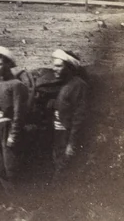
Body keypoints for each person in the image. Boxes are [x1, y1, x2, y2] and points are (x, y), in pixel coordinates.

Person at [0, 46, 28, 199]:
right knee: (0, 169)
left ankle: (20, 204)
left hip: (9, 129)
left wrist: (13, 135)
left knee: (11, 168)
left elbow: (19, 112)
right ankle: (12, 202)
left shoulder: (16, 85)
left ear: (9, 65)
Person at [50, 48, 89, 177]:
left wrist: (71, 144)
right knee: (58, 167)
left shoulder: (78, 85)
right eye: (54, 66)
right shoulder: (65, 85)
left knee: (65, 172)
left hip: (67, 137)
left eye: (58, 66)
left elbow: (79, 117)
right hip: (59, 135)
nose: (54, 69)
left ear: (69, 67)